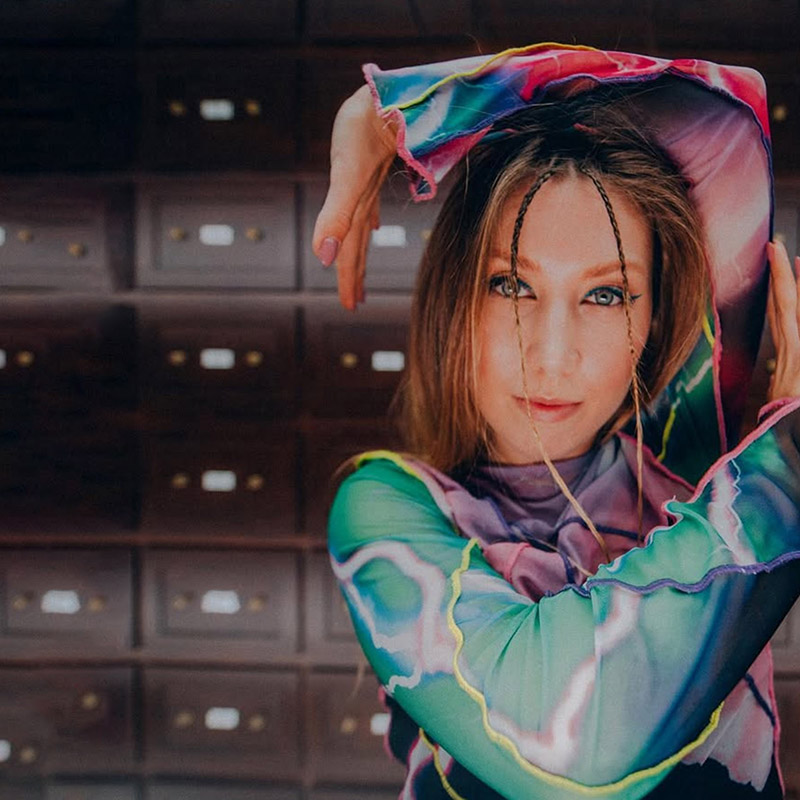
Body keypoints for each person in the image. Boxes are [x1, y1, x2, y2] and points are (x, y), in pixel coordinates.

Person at [315, 44, 800, 800]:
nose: (551, 355)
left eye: (606, 294)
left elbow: (721, 121)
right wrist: (787, 471)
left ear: (654, 319)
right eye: (511, 284)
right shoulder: (386, 511)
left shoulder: (689, 469)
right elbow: (574, 747)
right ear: (455, 300)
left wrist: (405, 113)